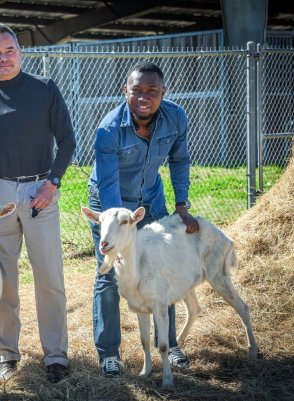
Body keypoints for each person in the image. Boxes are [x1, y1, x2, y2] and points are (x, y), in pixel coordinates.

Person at [0, 23, 76, 383]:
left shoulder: (45, 89)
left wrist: (52, 183)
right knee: (2, 278)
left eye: (9, 50)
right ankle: (7, 356)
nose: (4, 57)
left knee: (49, 278)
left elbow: (68, 140)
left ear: (20, 53)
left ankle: (55, 355)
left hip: (40, 192)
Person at [87, 61, 199, 377]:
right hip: (111, 206)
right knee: (110, 272)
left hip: (151, 202)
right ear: (126, 91)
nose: (144, 97)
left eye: (152, 90)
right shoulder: (109, 129)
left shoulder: (176, 117)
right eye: (136, 90)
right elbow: (109, 185)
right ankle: (109, 354)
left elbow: (180, 159)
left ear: (164, 92)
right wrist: (119, 233)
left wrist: (181, 205)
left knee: (161, 269)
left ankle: (170, 345)